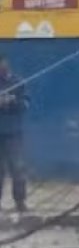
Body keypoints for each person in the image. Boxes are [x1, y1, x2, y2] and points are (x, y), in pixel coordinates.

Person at [0, 54, 29, 214]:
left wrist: (11, 101)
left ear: (6, 63)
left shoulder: (17, 82)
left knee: (17, 168)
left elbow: (25, 104)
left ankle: (20, 202)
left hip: (13, 133)